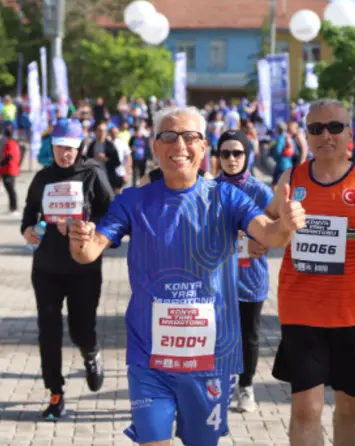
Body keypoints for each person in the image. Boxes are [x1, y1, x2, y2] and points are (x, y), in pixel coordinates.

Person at [67, 106, 306, 446]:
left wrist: (286, 224)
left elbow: (268, 235)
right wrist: (80, 242)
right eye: (168, 136)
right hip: (149, 355)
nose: (179, 144)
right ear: (155, 147)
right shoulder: (133, 200)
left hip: (209, 356)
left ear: (204, 147)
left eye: (190, 136)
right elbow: (89, 251)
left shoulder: (226, 197)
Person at [268, 99, 355, 446]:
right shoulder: (292, 177)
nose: (325, 135)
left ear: (350, 133)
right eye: (316, 129)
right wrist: (274, 230)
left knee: (351, 404)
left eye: (334, 127)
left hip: (353, 313)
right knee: (304, 409)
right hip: (301, 310)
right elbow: (267, 224)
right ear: (307, 135)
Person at [21, 118, 115, 421]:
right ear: (52, 146)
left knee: (80, 330)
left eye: (72, 148)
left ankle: (91, 352)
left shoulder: (92, 173)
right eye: (60, 147)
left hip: (83, 267)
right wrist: (26, 230)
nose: (66, 154)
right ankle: (55, 393)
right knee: (48, 332)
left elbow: (113, 215)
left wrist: (92, 227)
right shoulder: (43, 177)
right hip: (46, 267)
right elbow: (29, 213)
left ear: (80, 147)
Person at [215, 130, 273, 413]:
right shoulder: (209, 189)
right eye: (225, 153)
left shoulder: (260, 191)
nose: (231, 159)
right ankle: (221, 385)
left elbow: (275, 233)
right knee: (221, 333)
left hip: (250, 277)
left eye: (237, 153)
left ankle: (246, 386)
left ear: (247, 155)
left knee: (248, 334)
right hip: (217, 277)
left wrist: (257, 241)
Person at [86, 122, 121, 190]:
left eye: (104, 131)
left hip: (108, 178)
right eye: (100, 130)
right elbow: (87, 161)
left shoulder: (110, 145)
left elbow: (117, 162)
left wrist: (106, 159)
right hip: (95, 178)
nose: (102, 133)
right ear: (95, 132)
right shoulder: (92, 145)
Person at [0, 123, 21, 215]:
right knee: (10, 189)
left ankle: (14, 208)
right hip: (13, 168)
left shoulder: (9, 144)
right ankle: (12, 208)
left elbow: (9, 156)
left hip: (9, 169)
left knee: (10, 189)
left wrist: (1, 164)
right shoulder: (15, 143)